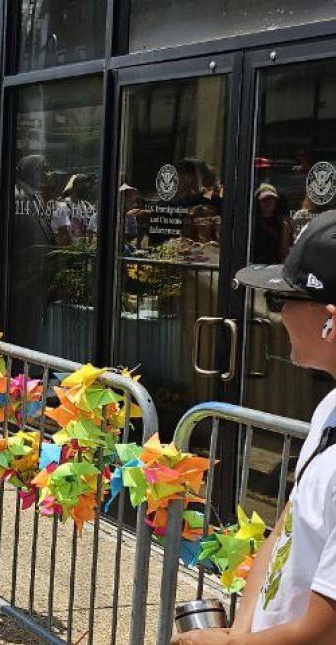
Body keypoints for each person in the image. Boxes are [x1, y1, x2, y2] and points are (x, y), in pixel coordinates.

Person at [174, 215, 336, 644]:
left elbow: (325, 630)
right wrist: (240, 630)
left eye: (284, 301)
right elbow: (288, 521)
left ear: (330, 322)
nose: (276, 315)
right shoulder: (331, 407)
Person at [252, 183, 293, 264]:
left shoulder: (282, 224)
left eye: (271, 199)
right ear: (257, 202)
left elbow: (285, 251)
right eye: (264, 200)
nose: (268, 203)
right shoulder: (251, 223)